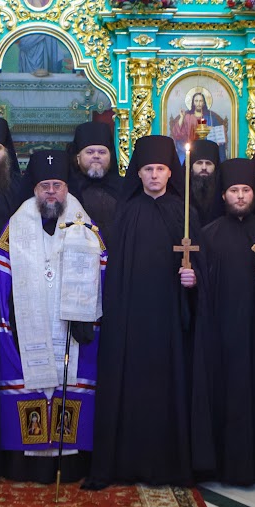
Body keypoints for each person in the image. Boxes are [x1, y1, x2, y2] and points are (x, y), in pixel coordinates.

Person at [89, 136, 197, 488]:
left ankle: (167, 463)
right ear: (138, 173)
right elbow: (111, 268)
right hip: (130, 317)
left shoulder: (185, 213)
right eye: (148, 169)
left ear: (170, 173)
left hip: (169, 316)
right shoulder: (125, 212)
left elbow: (202, 264)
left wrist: (192, 278)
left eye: (160, 169)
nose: (154, 176)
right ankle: (125, 461)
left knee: (169, 385)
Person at [0, 151, 104, 484]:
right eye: (45, 186)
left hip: (70, 327)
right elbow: (2, 278)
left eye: (57, 185)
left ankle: (68, 466)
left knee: (67, 387)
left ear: (67, 188)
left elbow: (101, 270)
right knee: (31, 388)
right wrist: (10, 324)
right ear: (35, 189)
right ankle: (27, 467)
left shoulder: (85, 225)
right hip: (29, 325)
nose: (52, 192)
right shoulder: (16, 225)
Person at [191, 157, 255, 485]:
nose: (240, 196)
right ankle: (219, 464)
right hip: (221, 334)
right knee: (223, 398)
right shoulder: (208, 234)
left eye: (246, 190)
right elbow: (202, 290)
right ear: (223, 195)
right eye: (234, 190)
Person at [67, 121, 124, 243]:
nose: (96, 156)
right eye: (90, 152)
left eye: (102, 152)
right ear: (78, 158)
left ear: (110, 157)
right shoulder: (67, 189)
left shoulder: (123, 189)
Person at [188, 138, 223, 227]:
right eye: (199, 163)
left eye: (208, 163)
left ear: (215, 167)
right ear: (191, 167)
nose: (204, 167)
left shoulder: (223, 193)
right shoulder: (181, 192)